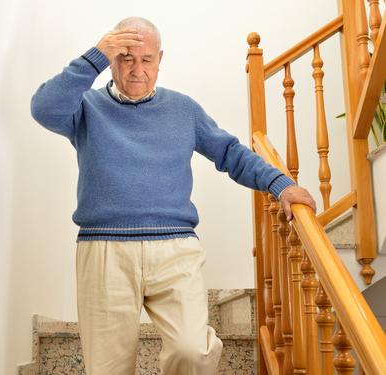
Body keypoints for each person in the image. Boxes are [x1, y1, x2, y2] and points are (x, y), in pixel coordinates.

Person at [30, 16, 316, 375]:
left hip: (175, 248)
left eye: (146, 60)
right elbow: (44, 108)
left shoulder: (183, 110)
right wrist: (96, 55)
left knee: (193, 351)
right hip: (104, 249)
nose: (137, 70)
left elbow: (231, 154)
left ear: (160, 60)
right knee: (107, 368)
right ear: (112, 61)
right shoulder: (86, 108)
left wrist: (280, 184)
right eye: (125, 58)